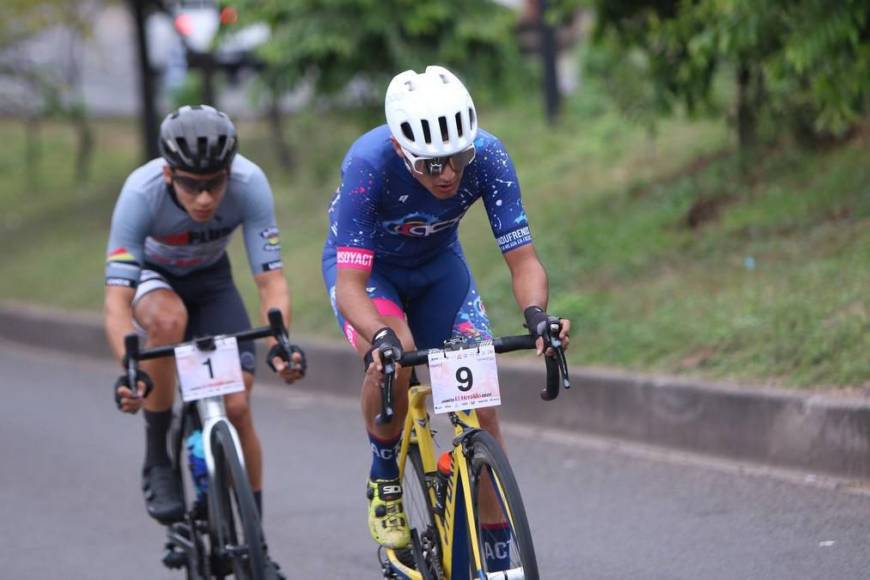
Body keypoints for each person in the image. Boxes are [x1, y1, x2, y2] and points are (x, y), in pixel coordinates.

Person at [321, 66, 571, 559]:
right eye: (432, 165)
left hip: (439, 270)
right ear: (400, 148)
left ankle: (498, 554)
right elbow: (350, 286)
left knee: (481, 408)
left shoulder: (490, 155)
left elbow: (522, 259)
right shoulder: (368, 165)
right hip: (373, 275)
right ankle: (384, 476)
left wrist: (538, 315)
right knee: (399, 354)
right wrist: (378, 337)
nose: (449, 174)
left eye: (457, 158)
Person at [104, 104, 305, 528]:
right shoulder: (140, 194)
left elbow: (271, 283)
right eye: (192, 186)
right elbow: (117, 302)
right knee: (167, 320)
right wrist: (130, 369)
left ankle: (256, 541)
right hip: (152, 278)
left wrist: (280, 344)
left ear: (229, 172)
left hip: (212, 281)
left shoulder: (250, 184)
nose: (205, 198)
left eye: (214, 185)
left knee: (236, 407)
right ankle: (158, 454)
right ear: (168, 175)